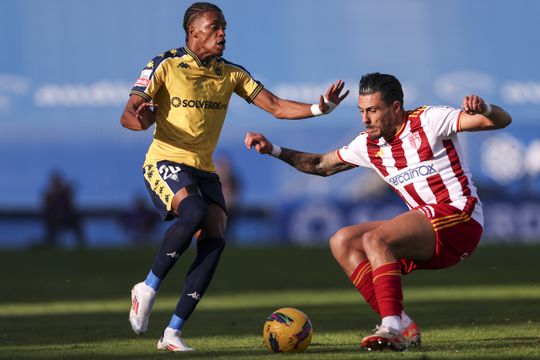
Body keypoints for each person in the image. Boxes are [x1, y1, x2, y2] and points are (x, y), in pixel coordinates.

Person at [120, 2, 349, 352]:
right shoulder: (164, 64)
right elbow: (128, 116)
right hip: (165, 159)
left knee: (214, 241)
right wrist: (145, 119)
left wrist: (321, 108)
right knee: (194, 212)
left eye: (224, 26)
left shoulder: (231, 73)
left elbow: (274, 105)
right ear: (193, 30)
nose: (223, 33)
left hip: (204, 168)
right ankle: (147, 288)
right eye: (215, 26)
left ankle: (172, 334)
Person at [245, 72, 512, 351]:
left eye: (372, 110)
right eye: (361, 111)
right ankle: (403, 323)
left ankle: (391, 328)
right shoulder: (369, 145)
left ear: (396, 108)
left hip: (460, 220)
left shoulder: (429, 120)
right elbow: (321, 165)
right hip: (429, 232)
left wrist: (486, 109)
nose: (365, 119)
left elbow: (499, 121)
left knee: (375, 238)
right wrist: (273, 150)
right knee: (342, 241)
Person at [41, 171, 85, 249]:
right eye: (56, 182)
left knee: (77, 222)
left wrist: (65, 191)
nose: (58, 184)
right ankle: (50, 243)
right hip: (54, 219)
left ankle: (81, 244)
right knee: (52, 225)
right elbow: (46, 207)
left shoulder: (65, 193)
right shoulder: (49, 194)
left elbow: (71, 202)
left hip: (67, 219)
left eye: (59, 181)